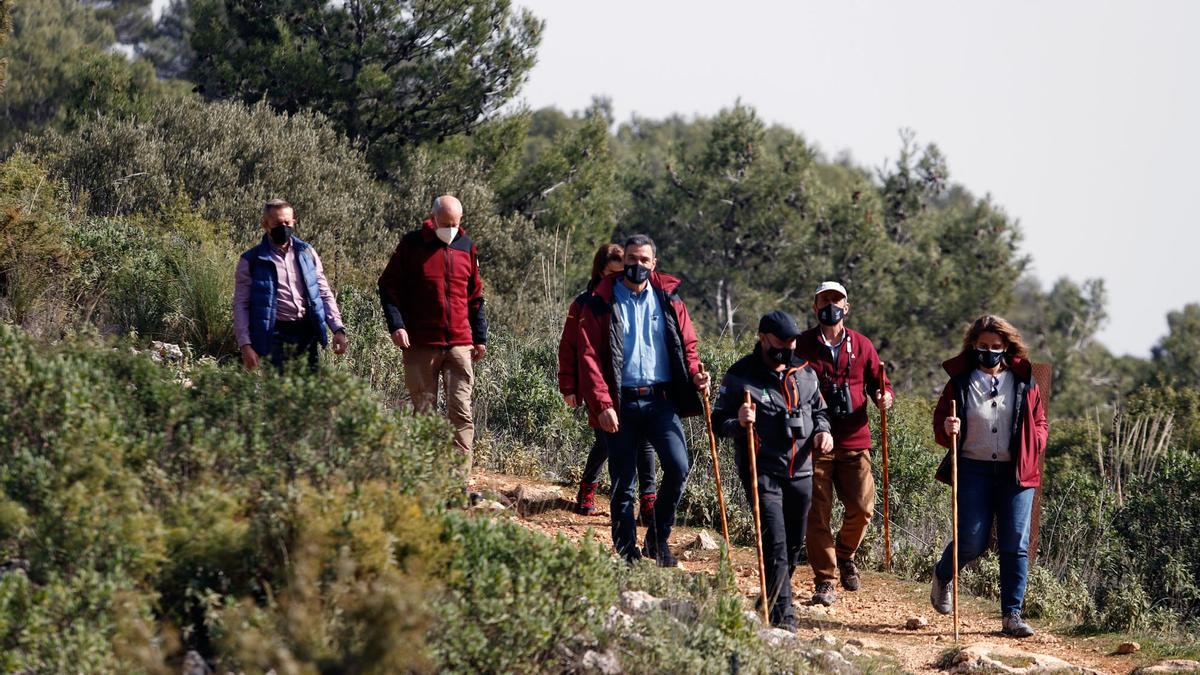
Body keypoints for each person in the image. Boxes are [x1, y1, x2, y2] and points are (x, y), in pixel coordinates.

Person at [576, 234, 710, 565]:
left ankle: (656, 540)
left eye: (644, 260)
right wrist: (602, 403)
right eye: (632, 259)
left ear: (654, 264)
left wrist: (695, 374)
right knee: (624, 482)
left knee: (678, 467)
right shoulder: (601, 301)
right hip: (620, 403)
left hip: (661, 400)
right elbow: (588, 356)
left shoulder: (669, 299)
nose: (638, 266)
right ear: (624, 262)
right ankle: (625, 551)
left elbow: (688, 344)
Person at [712, 310, 833, 631]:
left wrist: (823, 431)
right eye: (781, 342)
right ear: (763, 338)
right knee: (775, 543)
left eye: (792, 342)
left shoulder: (805, 373)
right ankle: (784, 621)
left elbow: (819, 410)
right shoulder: (741, 375)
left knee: (793, 544)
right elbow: (717, 422)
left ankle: (770, 596)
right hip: (761, 470)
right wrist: (738, 421)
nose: (788, 348)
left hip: (802, 470)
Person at [930, 315, 1048, 638]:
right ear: (973, 346)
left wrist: (1035, 444)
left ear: (1007, 347)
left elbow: (1040, 422)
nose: (990, 352)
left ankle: (1012, 615)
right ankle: (943, 573)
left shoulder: (1024, 380)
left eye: (996, 347)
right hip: (973, 468)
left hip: (1016, 472)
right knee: (971, 539)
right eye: (983, 346)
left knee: (1015, 543)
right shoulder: (960, 382)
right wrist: (947, 428)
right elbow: (941, 419)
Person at [796, 281, 893, 606]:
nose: (830, 306)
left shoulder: (862, 345)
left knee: (863, 509)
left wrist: (884, 397)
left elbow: (880, 383)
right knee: (816, 514)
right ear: (815, 306)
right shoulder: (803, 345)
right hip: (815, 442)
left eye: (836, 301)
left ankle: (844, 553)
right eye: (824, 300)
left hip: (855, 439)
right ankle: (825, 580)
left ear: (846, 308)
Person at [378, 195, 488, 478]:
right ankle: (425, 479)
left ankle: (457, 483)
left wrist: (480, 337)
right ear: (433, 217)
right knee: (425, 412)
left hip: (459, 344)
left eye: (455, 223)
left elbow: (476, 297)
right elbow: (388, 286)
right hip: (421, 345)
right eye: (445, 223)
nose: (450, 229)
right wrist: (396, 325)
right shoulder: (412, 245)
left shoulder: (467, 247)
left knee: (461, 412)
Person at [557, 243, 658, 520]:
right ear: (601, 271)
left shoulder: (630, 299)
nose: (619, 278)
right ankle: (588, 488)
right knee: (605, 440)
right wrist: (569, 385)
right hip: (597, 383)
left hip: (631, 383)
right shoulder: (584, 303)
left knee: (645, 441)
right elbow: (570, 347)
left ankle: (648, 501)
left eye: (620, 272)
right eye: (612, 273)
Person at [233, 199, 348, 371]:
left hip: (306, 334)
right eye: (278, 223)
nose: (284, 227)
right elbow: (241, 304)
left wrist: (338, 329)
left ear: (294, 221)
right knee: (281, 392)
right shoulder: (251, 260)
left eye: (287, 222)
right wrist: (245, 345)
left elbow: (323, 292)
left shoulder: (307, 252)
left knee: (308, 392)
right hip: (274, 335)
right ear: (265, 224)